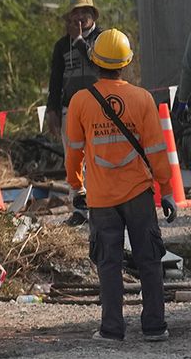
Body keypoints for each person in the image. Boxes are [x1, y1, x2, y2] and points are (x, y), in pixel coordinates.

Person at [64, 28, 175, 343]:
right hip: (138, 192)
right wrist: (166, 190)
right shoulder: (142, 99)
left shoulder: (80, 101)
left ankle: (112, 329)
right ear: (126, 63)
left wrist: (76, 186)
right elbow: (156, 151)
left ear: (94, 61)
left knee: (108, 263)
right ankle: (155, 326)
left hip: (100, 198)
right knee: (149, 259)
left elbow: (73, 152)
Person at [47, 0, 102, 137]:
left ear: (93, 16)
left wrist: (78, 40)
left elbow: (98, 64)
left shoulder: (102, 38)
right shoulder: (62, 45)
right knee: (73, 158)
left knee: (99, 155)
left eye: (84, 12)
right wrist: (52, 109)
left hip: (99, 108)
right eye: (75, 13)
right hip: (71, 109)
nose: (80, 17)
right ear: (69, 18)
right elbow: (56, 80)